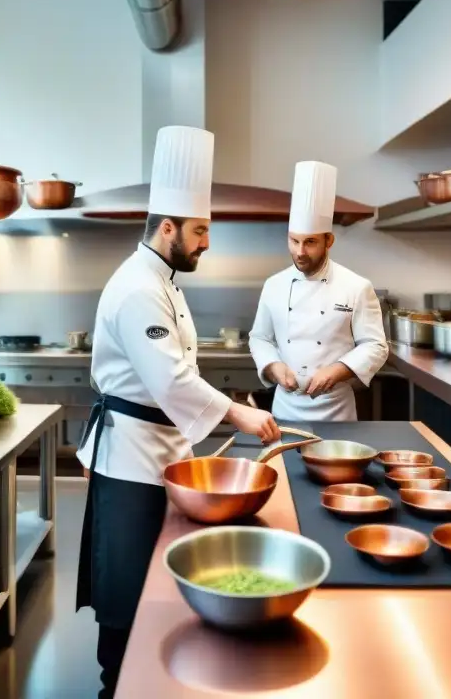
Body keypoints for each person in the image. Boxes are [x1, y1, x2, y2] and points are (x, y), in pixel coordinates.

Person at [75, 125, 281, 698]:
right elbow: (170, 377)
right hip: (132, 455)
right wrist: (238, 415)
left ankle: (145, 676)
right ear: (167, 227)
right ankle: (114, 683)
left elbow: (174, 369)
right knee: (125, 585)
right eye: (199, 231)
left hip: (159, 447)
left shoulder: (163, 279)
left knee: (149, 576)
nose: (205, 243)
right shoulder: (138, 287)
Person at [249, 160, 389, 422]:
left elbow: (375, 345)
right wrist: (273, 366)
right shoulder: (274, 285)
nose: (300, 252)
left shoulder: (357, 286)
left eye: (310, 242)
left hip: (335, 412)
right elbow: (260, 338)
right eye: (294, 241)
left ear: (329, 241)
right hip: (284, 412)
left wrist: (338, 369)